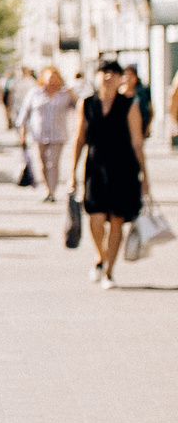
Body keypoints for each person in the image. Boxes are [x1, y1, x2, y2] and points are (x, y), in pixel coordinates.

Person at [71, 58, 148, 286]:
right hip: (95, 167)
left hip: (123, 168)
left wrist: (145, 175)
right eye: (104, 72)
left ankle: (109, 271)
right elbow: (79, 138)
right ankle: (100, 256)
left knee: (116, 219)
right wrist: (71, 172)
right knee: (95, 218)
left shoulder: (129, 104)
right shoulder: (86, 104)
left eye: (113, 73)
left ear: (120, 78)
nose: (108, 77)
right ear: (96, 76)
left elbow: (137, 142)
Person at [19, 66, 76, 202]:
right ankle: (46, 188)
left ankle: (51, 192)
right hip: (39, 135)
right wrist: (22, 134)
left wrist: (73, 94)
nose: (51, 80)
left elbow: (79, 107)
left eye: (54, 77)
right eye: (49, 77)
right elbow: (24, 114)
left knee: (53, 163)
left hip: (58, 135)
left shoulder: (65, 94)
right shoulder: (35, 93)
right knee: (43, 164)